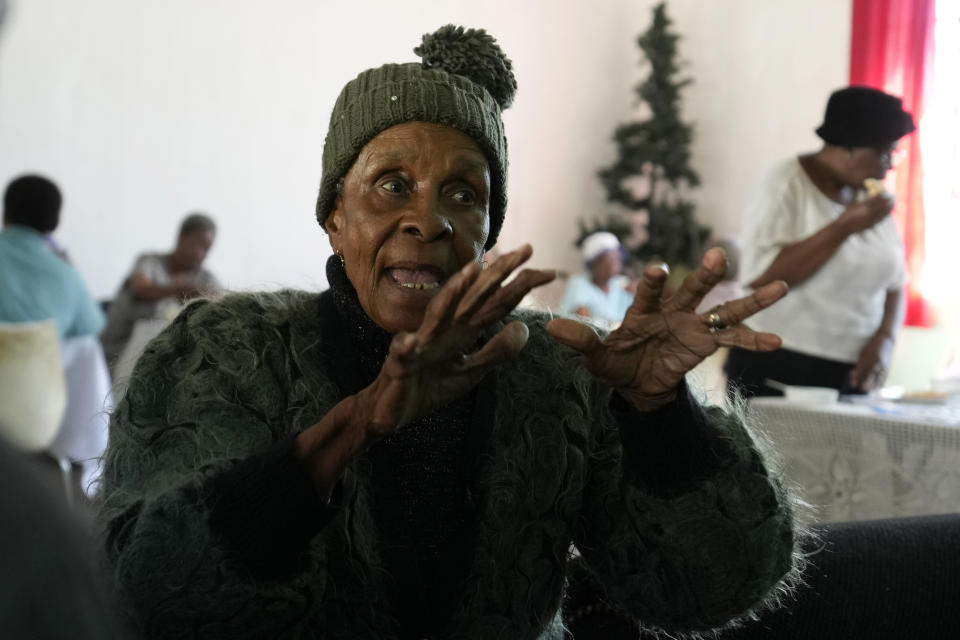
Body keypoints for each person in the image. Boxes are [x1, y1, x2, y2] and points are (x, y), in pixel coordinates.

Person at [98, 25, 798, 639]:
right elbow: (146, 594)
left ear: (486, 237)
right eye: (392, 184)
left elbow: (709, 592)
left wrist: (660, 418)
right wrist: (355, 427)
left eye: (464, 196)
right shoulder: (220, 352)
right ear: (334, 216)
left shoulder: (554, 367)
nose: (427, 221)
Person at [726, 86, 914, 397]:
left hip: (852, 372)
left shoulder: (870, 198)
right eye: (885, 152)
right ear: (848, 146)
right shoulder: (785, 183)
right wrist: (842, 228)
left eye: (895, 153)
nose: (890, 164)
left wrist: (885, 339)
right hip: (779, 362)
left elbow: (897, 282)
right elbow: (760, 278)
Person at [99, 212, 220, 367]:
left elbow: (220, 301)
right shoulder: (149, 262)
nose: (200, 253)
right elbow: (142, 289)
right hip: (118, 354)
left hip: (166, 361)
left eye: (206, 248)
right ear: (181, 237)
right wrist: (178, 288)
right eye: (196, 245)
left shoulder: (206, 278)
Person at [0, 174, 105, 338]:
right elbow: (93, 324)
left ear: (5, 212)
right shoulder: (66, 274)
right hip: (34, 362)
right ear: (55, 220)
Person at [559, 230, 635, 327]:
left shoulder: (620, 285)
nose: (617, 263)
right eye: (612, 259)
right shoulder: (579, 283)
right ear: (595, 263)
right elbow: (581, 319)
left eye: (618, 258)